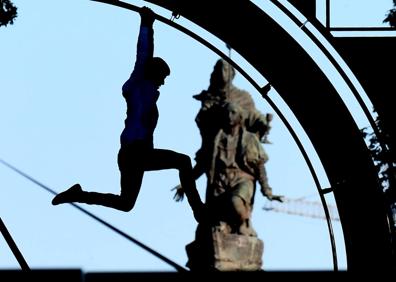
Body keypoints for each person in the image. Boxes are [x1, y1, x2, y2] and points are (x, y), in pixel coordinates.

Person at [52, 7, 204, 223]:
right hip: (136, 153)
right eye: (162, 77)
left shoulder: (147, 93)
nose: (163, 82)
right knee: (184, 162)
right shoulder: (138, 85)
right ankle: (198, 209)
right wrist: (147, 25)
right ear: (154, 73)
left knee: (126, 204)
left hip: (133, 155)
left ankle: (78, 194)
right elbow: (143, 54)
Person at [176, 102, 283, 236]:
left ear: (240, 117)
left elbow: (259, 166)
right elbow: (202, 164)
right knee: (214, 220)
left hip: (242, 179)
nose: (229, 116)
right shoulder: (215, 139)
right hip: (219, 182)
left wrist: (267, 191)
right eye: (227, 113)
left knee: (235, 202)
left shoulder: (249, 139)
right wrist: (185, 183)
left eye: (233, 113)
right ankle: (226, 228)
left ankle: (244, 224)